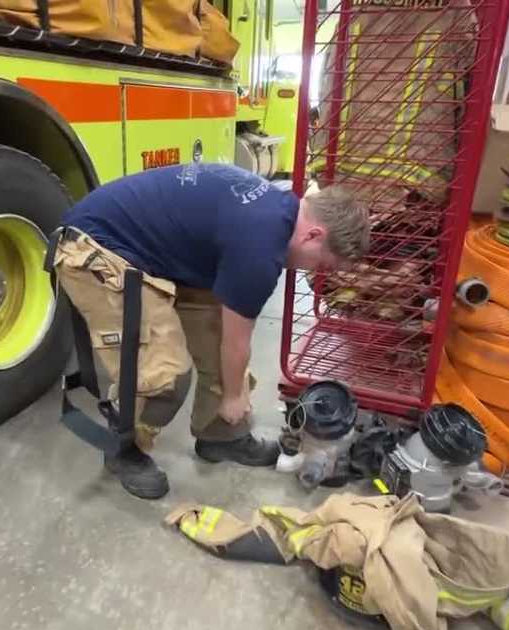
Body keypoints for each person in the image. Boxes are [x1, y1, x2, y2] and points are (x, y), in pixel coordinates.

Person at [52, 163, 369, 499]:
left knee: (220, 343)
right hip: (96, 246)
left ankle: (220, 436)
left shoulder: (279, 212)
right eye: (321, 263)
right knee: (165, 374)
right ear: (313, 235)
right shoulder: (259, 249)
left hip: (150, 250)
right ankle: (124, 449)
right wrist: (233, 397)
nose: (313, 271)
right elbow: (237, 343)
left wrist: (234, 390)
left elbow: (228, 339)